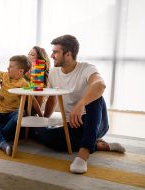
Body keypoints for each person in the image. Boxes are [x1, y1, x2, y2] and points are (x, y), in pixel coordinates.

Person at [30, 35, 125, 174]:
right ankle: (99, 145)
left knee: (96, 97)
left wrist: (81, 105)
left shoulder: (86, 68)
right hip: (75, 124)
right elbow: (52, 99)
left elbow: (100, 84)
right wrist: (44, 119)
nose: (51, 55)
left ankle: (83, 155)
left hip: (96, 122)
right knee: (46, 136)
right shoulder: (54, 73)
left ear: (68, 54)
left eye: (55, 52)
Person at [0, 45, 42, 155]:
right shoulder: (5, 76)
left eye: (10, 66)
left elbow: (33, 100)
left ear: (20, 71)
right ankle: (3, 143)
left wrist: (41, 116)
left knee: (21, 113)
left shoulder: (24, 83)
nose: (7, 68)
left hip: (12, 114)